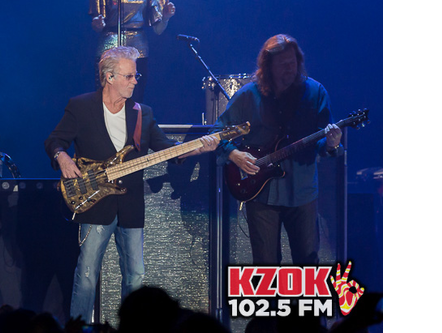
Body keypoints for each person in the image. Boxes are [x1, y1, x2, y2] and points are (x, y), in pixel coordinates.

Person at [44, 46, 219, 322]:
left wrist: (199, 149)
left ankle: (135, 329)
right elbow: (54, 140)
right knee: (88, 275)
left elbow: (168, 150)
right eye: (129, 76)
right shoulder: (81, 106)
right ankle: (79, 328)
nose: (135, 81)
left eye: (135, 76)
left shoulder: (142, 113)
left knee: (135, 276)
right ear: (109, 77)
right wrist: (62, 156)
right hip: (94, 203)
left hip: (131, 206)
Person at [211, 34, 343, 265]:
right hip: (261, 194)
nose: (290, 69)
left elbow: (323, 142)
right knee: (265, 265)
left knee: (308, 262)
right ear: (268, 66)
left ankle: (303, 303)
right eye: (283, 65)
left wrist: (332, 144)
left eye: (293, 63)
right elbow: (218, 131)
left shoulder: (315, 92)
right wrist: (234, 154)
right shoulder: (249, 95)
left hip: (302, 191)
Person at [88, 0, 176, 102]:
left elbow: (158, 30)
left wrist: (165, 17)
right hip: (108, 47)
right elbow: (97, 24)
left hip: (137, 49)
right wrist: (98, 24)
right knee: (106, 100)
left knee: (134, 100)